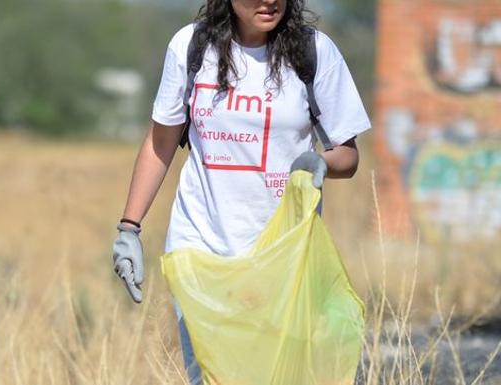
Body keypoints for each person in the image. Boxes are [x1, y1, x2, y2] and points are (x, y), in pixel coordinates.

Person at [112, 0, 371, 383]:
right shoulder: (191, 47)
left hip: (281, 254)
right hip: (200, 249)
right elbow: (160, 142)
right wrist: (128, 228)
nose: (270, 1)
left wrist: (319, 162)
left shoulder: (314, 52)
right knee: (210, 375)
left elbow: (347, 156)